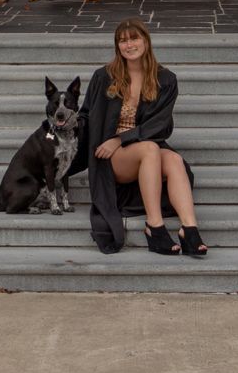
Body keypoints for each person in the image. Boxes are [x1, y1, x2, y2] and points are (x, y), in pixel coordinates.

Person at [69, 17, 209, 257]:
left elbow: (160, 124)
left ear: (146, 41)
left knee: (174, 160)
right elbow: (86, 116)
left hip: (139, 148)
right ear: (117, 46)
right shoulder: (104, 76)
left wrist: (122, 139)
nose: (129, 45)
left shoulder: (166, 80)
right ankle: (154, 226)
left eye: (134, 38)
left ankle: (189, 229)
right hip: (110, 157)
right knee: (150, 149)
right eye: (122, 41)